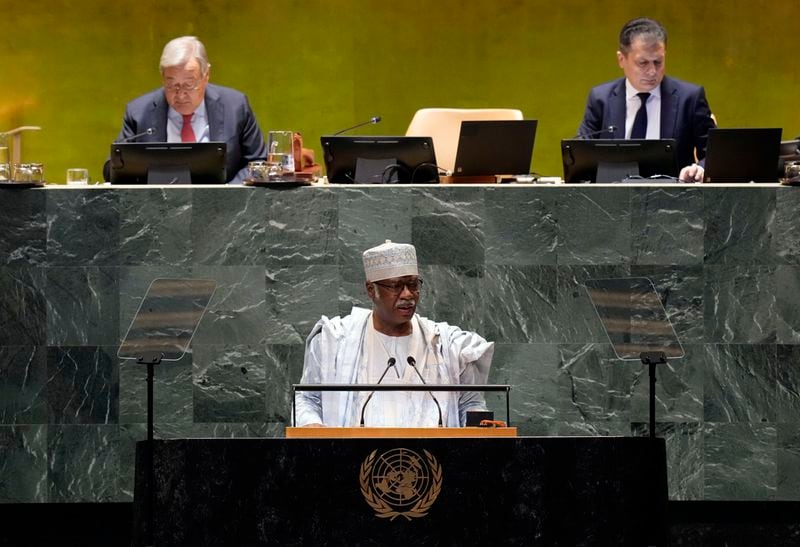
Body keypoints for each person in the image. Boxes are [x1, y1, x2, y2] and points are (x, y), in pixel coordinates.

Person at [295, 240, 494, 427]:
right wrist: (312, 427)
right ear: (371, 290)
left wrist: (480, 427)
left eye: (413, 284)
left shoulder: (448, 345)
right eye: (396, 286)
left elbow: (470, 403)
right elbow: (307, 399)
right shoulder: (334, 340)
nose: (407, 294)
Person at [105, 36, 266, 183]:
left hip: (225, 208)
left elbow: (258, 162)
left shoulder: (236, 106)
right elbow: (113, 170)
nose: (180, 94)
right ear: (162, 78)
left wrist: (226, 194)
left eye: (189, 84)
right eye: (171, 85)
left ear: (206, 75)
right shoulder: (139, 113)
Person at [577, 17, 717, 183]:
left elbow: (714, 156)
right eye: (643, 63)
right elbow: (580, 157)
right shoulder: (601, 99)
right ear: (621, 59)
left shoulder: (690, 98)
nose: (652, 71)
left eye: (658, 62)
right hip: (613, 200)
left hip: (675, 200)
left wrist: (699, 168)